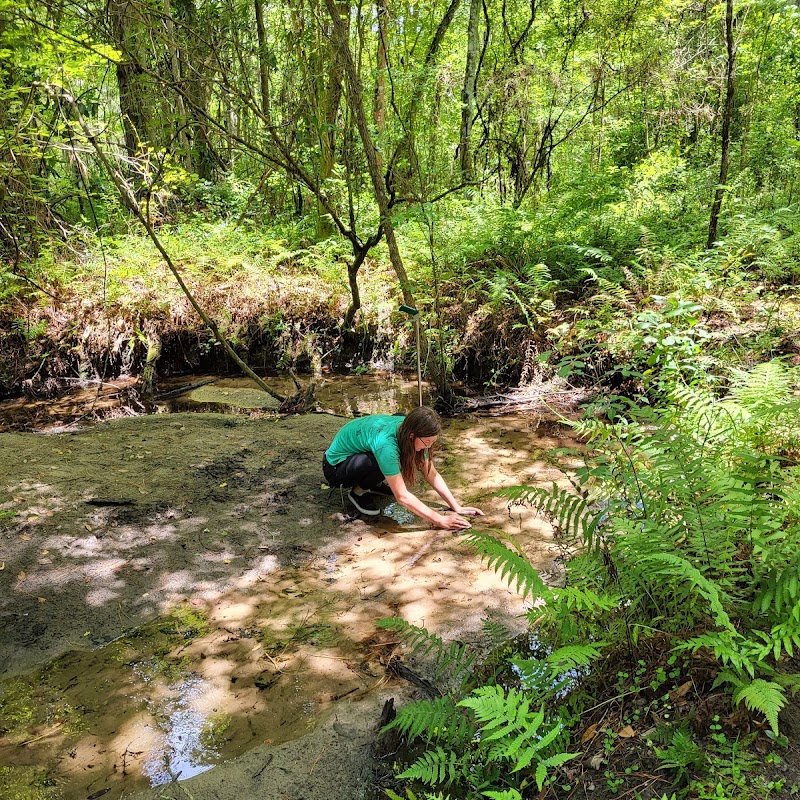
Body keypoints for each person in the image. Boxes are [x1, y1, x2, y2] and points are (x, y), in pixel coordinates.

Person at [322, 406, 484, 530]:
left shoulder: (406, 428)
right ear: (412, 436)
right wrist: (439, 519)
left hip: (359, 452)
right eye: (427, 443)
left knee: (388, 458)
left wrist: (456, 506)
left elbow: (430, 472)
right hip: (335, 467)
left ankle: (373, 483)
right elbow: (402, 497)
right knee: (381, 460)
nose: (429, 447)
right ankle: (357, 492)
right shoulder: (387, 446)